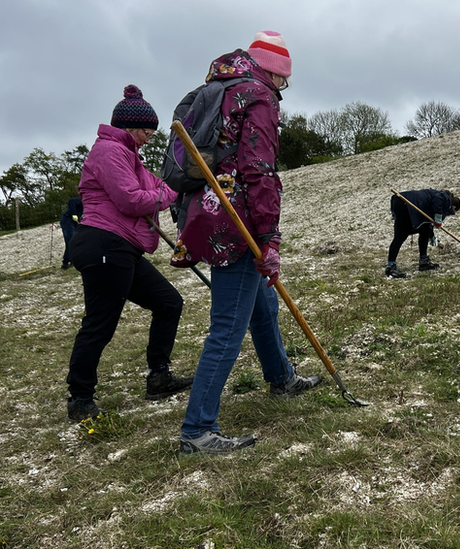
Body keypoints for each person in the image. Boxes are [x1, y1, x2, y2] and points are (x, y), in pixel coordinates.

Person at [174, 31, 322, 455]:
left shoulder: (215, 88)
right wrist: (269, 237)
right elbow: (259, 171)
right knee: (227, 326)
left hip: (208, 211)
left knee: (264, 305)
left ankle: (281, 377)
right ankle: (197, 430)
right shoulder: (258, 95)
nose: (282, 88)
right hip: (235, 223)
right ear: (272, 72)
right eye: (283, 80)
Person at [65, 85, 193, 421]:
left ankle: (159, 376)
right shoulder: (108, 152)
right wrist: (165, 194)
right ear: (131, 128)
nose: (150, 138)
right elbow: (131, 199)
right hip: (104, 244)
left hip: (122, 248)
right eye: (147, 131)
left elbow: (157, 185)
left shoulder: (128, 155)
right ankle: (80, 398)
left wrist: (162, 190)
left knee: (168, 302)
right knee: (100, 324)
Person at [385, 189, 460, 278]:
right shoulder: (445, 198)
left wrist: (432, 236)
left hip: (404, 203)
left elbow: (428, 222)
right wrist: (438, 216)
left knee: (425, 229)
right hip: (405, 203)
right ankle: (390, 267)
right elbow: (438, 199)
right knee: (400, 235)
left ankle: (424, 261)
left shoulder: (435, 200)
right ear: (454, 207)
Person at [59, 196, 83, 269]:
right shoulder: (83, 199)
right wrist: (74, 213)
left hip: (75, 222)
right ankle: (72, 261)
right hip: (67, 220)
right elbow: (71, 201)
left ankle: (66, 262)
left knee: (75, 240)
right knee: (71, 240)